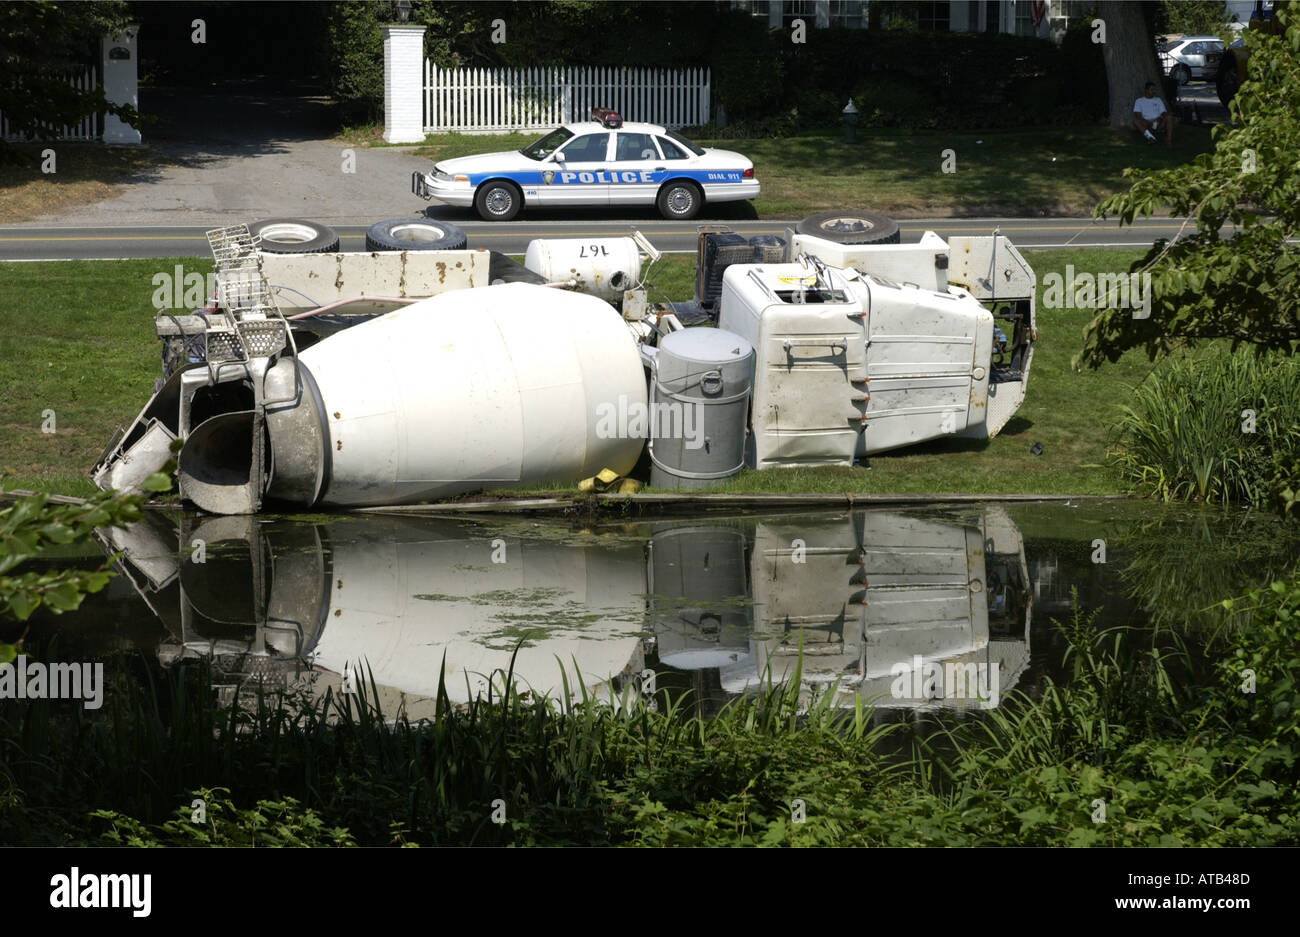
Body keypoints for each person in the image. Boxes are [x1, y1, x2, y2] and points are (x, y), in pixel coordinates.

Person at [1133, 82, 1173, 146]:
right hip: (1147, 122)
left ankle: (1169, 140)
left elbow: (1163, 112)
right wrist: (1147, 121)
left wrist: (1163, 118)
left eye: (1155, 89)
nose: (1154, 91)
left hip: (1158, 121)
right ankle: (1150, 138)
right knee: (1136, 121)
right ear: (1146, 90)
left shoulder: (1158, 100)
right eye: (1152, 89)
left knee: (1169, 117)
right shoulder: (1139, 101)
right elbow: (1138, 115)